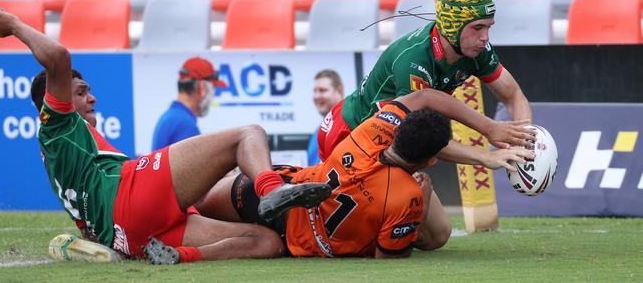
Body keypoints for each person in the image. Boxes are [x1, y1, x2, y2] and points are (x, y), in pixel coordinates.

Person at [0, 8, 331, 264]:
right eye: (80, 92)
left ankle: (178, 256)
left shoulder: (62, 152)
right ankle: (273, 189)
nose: (91, 98)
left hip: (129, 235)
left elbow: (86, 209)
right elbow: (58, 57)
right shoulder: (56, 124)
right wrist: (14, 26)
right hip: (131, 197)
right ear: (55, 103)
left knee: (266, 241)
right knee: (248, 134)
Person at [190, 87, 535, 259]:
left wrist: (487, 133)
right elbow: (388, 258)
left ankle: (145, 200)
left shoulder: (370, 130)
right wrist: (424, 198)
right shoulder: (409, 196)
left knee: (193, 201)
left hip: (271, 187)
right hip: (286, 241)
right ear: (432, 161)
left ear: (398, 129)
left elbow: (426, 96)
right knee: (210, 235)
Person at [318, 0, 534, 161]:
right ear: (452, 26)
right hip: (349, 132)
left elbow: (514, 96)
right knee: (412, 194)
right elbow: (419, 138)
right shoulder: (414, 60)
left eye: (488, 27)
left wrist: (524, 143)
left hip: (386, 136)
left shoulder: (477, 49)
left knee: (421, 193)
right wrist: (486, 156)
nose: (485, 37)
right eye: (477, 28)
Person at [152, 56, 226, 151]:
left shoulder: (171, 117)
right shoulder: (185, 125)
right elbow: (195, 165)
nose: (213, 97)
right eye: (213, 88)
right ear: (202, 87)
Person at [307, 69, 344, 166]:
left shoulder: (347, 123)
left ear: (339, 91)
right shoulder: (320, 128)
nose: (317, 96)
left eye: (322, 90)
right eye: (315, 91)